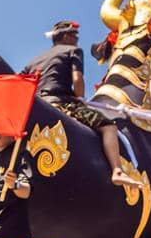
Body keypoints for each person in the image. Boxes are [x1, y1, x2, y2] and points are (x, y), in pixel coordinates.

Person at [24, 20, 135, 189]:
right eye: (75, 36)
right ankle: (117, 171)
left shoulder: (33, 61)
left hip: (34, 104)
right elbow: (77, 79)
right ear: (67, 36)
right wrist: (81, 99)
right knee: (108, 127)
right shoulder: (73, 50)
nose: (77, 40)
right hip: (62, 102)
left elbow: (22, 84)